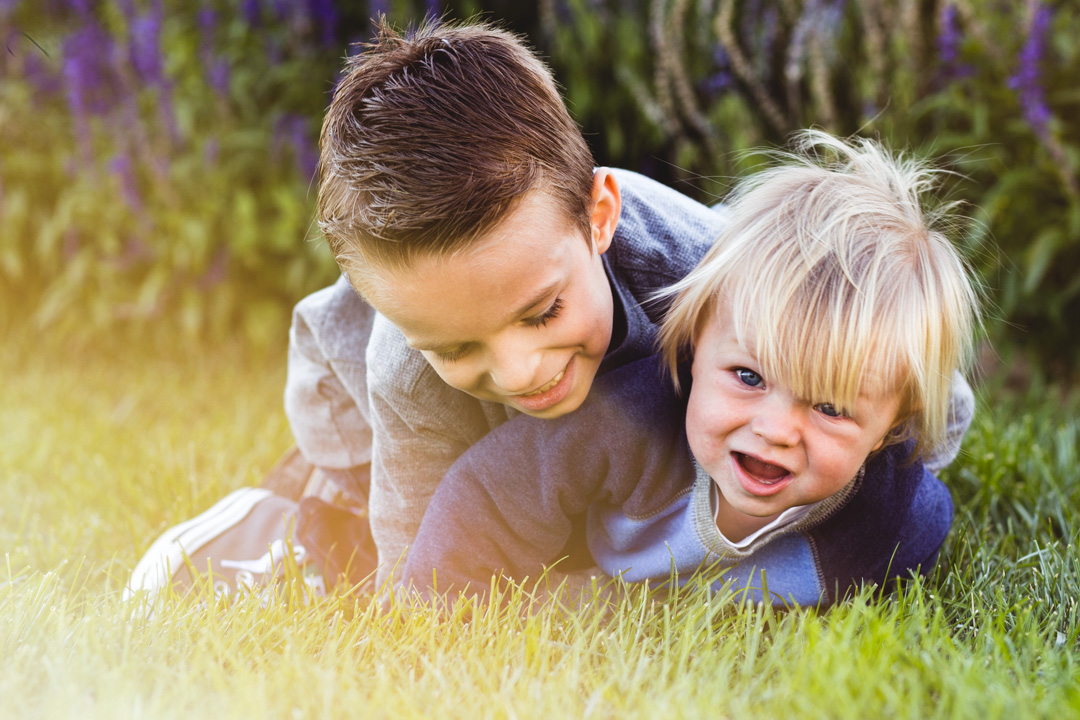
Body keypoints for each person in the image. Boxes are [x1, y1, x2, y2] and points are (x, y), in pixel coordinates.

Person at [397, 131, 980, 607]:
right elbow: (491, 496)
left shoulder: (892, 519)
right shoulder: (627, 422)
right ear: (698, 344)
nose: (776, 429)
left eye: (829, 408)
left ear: (888, 430)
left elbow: (920, 538)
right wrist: (437, 613)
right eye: (749, 377)